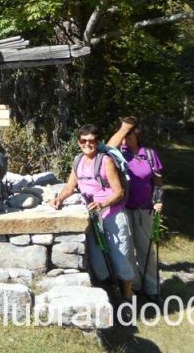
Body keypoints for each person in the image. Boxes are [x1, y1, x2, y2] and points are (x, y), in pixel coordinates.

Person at [52, 124, 135, 300]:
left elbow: (119, 192)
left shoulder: (106, 161)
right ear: (78, 142)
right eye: (83, 140)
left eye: (91, 141)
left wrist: (102, 203)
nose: (87, 144)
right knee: (98, 261)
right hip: (93, 217)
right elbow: (70, 186)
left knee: (120, 258)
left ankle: (128, 297)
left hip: (112, 214)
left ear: (98, 142)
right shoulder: (78, 161)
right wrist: (59, 198)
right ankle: (111, 296)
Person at [107, 116, 164, 300]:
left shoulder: (149, 154)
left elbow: (158, 181)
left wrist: (158, 200)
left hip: (145, 209)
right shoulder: (118, 154)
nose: (125, 137)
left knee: (146, 250)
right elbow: (107, 148)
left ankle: (152, 288)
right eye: (123, 133)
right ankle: (135, 285)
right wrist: (123, 129)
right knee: (127, 249)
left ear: (137, 134)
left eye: (129, 133)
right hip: (123, 208)